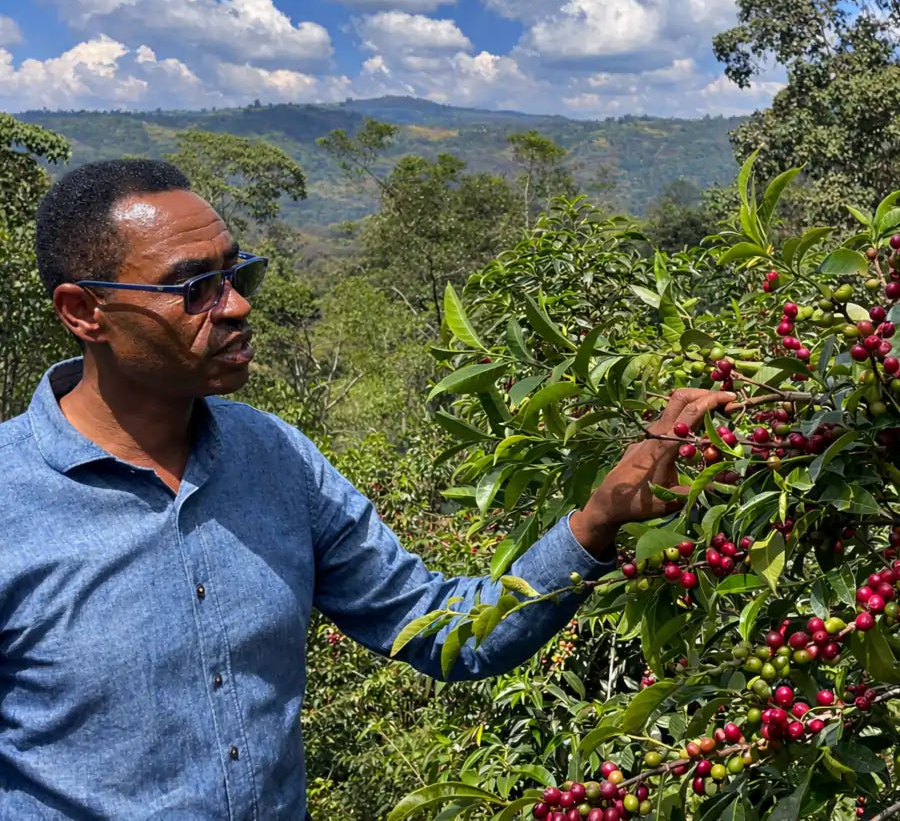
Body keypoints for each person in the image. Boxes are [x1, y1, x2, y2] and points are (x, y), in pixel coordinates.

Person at [0, 159, 732, 819]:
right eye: (194, 289)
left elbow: (442, 629)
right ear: (82, 311)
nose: (236, 307)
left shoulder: (275, 458)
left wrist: (599, 520)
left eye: (238, 275)